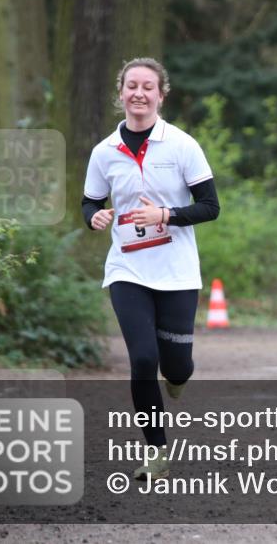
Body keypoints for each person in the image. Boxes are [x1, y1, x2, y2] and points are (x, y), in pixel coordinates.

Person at [82, 57, 220, 480]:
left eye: (148, 87)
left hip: (176, 269)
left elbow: (210, 208)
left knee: (176, 365)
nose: (139, 93)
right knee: (143, 359)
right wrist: (94, 217)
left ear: (161, 94)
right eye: (131, 86)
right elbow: (91, 200)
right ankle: (156, 450)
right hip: (127, 268)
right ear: (120, 93)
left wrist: (165, 215)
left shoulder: (181, 145)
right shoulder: (104, 152)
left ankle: (177, 378)